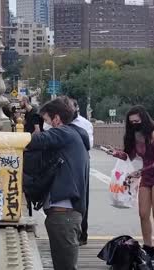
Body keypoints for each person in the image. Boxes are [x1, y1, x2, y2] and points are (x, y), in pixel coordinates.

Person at [26, 97, 90, 270]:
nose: (44, 125)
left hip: (64, 215)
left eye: (46, 120)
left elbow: (34, 141)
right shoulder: (74, 135)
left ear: (56, 119)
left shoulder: (64, 133)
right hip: (65, 214)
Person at [107, 105, 154, 260]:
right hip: (146, 176)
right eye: (131, 122)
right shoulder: (134, 136)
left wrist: (141, 171)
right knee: (143, 213)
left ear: (143, 119)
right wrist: (116, 153)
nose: (134, 124)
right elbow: (129, 156)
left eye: (137, 121)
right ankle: (148, 246)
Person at [70, 99, 94, 246]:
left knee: (82, 198)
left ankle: (82, 234)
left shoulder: (85, 124)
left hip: (79, 162)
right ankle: (68, 233)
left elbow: (89, 145)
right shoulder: (54, 121)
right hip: (61, 162)